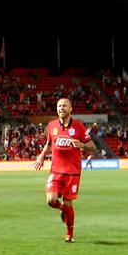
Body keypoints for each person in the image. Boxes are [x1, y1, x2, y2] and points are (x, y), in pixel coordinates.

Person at [34, 98, 95, 243]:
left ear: (70, 109)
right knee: (51, 200)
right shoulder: (51, 125)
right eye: (59, 106)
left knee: (69, 204)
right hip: (55, 171)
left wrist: (81, 144)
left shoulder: (79, 127)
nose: (61, 108)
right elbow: (49, 144)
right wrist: (41, 156)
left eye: (64, 106)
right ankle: (62, 209)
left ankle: (70, 234)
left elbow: (92, 146)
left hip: (72, 172)